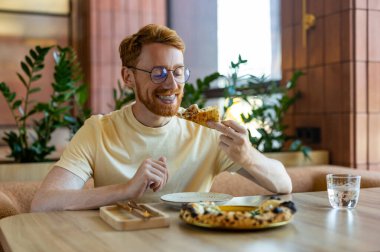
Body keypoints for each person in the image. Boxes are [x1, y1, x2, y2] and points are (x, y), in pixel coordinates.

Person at [31, 24, 292, 212]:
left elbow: (283, 184)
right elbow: (43, 203)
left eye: (178, 72)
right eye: (158, 73)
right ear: (128, 77)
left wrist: (248, 156)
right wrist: (125, 190)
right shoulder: (99, 130)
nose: (171, 84)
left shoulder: (206, 130)